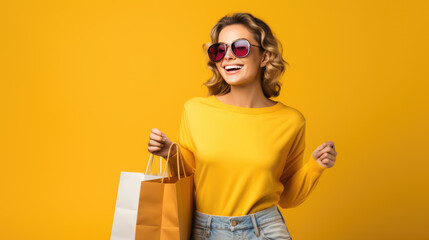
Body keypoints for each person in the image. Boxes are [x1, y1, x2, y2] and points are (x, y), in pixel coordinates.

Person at [148, 12, 337, 240]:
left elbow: (287, 198)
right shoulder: (195, 110)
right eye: (219, 50)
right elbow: (190, 178)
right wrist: (170, 152)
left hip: (265, 229)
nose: (227, 57)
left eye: (240, 48)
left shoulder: (291, 121)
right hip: (206, 230)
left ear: (264, 57)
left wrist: (315, 166)